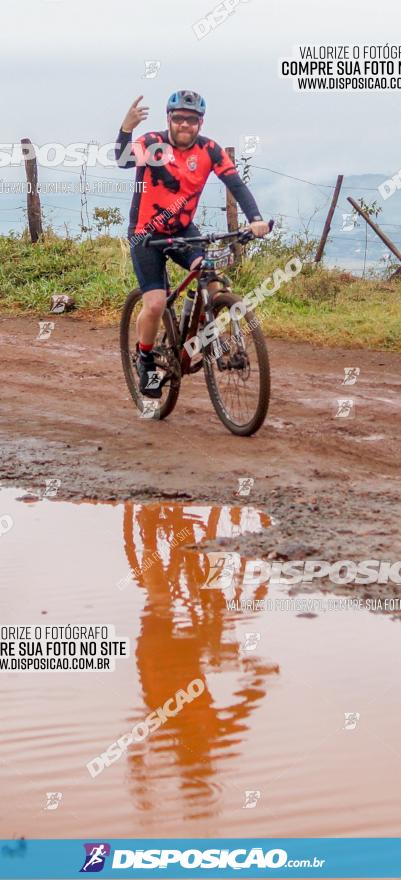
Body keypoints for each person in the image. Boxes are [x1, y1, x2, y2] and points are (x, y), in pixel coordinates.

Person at [115, 90, 269, 398]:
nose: (186, 125)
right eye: (180, 118)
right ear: (169, 119)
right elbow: (122, 160)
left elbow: (235, 184)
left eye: (193, 120)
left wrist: (255, 218)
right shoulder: (151, 143)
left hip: (183, 230)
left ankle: (207, 332)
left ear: (201, 122)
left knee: (211, 277)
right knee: (156, 303)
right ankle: (145, 359)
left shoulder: (210, 150)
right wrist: (126, 128)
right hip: (147, 234)